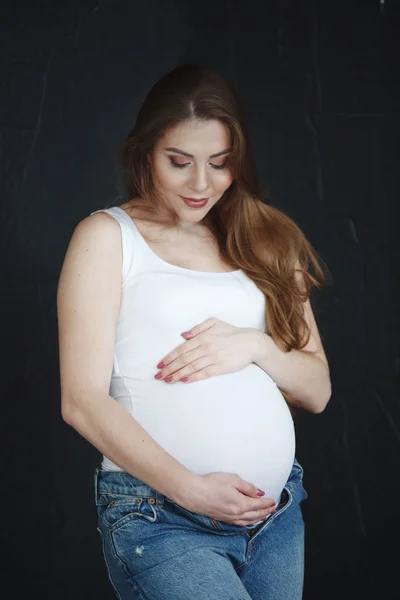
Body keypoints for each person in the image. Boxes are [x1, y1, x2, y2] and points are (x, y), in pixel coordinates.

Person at [57, 64, 331, 599]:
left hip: (275, 516)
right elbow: (81, 401)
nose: (201, 184)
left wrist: (253, 346)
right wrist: (192, 491)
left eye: (219, 163)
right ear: (146, 153)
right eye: (179, 162)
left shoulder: (266, 240)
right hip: (162, 516)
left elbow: (317, 388)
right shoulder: (108, 237)